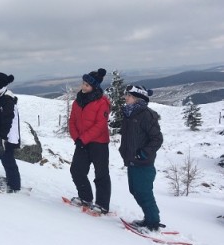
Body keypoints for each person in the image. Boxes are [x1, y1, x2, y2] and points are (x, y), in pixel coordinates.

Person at [119, 85, 163, 231]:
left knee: (144, 192)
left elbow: (157, 139)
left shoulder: (146, 115)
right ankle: (148, 218)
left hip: (143, 162)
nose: (126, 98)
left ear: (138, 99)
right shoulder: (129, 114)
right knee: (135, 190)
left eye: (129, 96)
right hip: (132, 161)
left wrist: (144, 153)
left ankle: (152, 222)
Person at [68, 68, 111, 214]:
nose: (83, 87)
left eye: (87, 85)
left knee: (101, 174)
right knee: (76, 170)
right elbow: (72, 121)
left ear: (94, 87)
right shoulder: (77, 102)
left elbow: (100, 125)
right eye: (83, 84)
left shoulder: (102, 102)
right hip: (81, 143)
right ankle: (85, 198)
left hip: (99, 143)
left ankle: (102, 205)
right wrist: (77, 139)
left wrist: (84, 138)